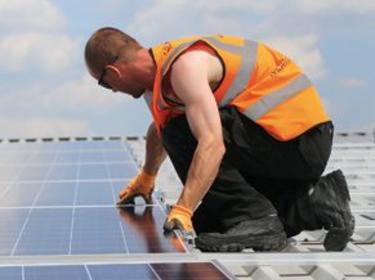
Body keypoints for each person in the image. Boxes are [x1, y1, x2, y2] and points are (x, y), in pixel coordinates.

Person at [84, 27, 354, 252]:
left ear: (114, 72)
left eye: (105, 84)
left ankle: (255, 218)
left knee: (182, 132)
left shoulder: (184, 67)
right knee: (211, 224)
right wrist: (147, 176)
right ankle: (317, 202)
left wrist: (184, 208)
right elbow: (159, 129)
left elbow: (211, 143)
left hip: (298, 139)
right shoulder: (158, 80)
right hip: (284, 145)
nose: (112, 91)